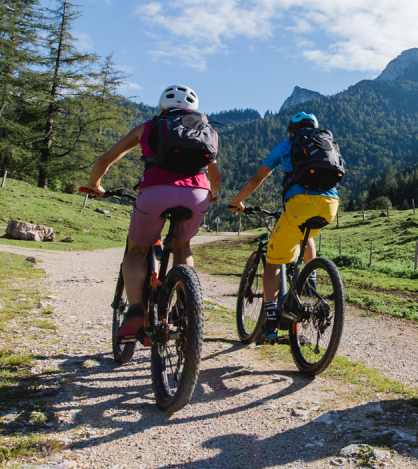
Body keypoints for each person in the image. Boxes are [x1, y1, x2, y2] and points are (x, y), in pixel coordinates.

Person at [83, 85, 222, 340]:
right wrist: (211, 196)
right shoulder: (206, 131)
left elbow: (104, 160)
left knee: (137, 250)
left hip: (155, 193)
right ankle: (185, 303)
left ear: (162, 107)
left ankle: (136, 310)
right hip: (197, 194)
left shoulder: (149, 127)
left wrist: (95, 185)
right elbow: (216, 177)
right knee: (183, 247)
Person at [227, 111, 339, 342]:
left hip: (300, 203)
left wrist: (238, 201)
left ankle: (270, 321)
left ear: (291, 131)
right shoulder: (325, 144)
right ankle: (311, 279)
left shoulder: (286, 146)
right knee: (305, 234)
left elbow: (256, 179)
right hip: (331, 205)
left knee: (273, 260)